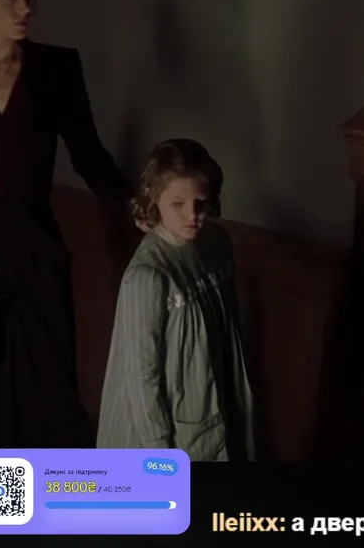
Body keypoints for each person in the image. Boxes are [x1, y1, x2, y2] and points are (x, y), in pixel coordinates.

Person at [0, 0, 131, 448]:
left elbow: (90, 156)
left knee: (50, 401)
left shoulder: (56, 70)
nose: (26, 9)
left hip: (38, 257)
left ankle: (51, 499)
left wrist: (141, 207)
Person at [96, 139, 256, 461]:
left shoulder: (218, 245)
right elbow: (142, 376)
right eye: (178, 204)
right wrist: (160, 452)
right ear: (155, 200)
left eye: (200, 202)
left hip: (216, 405)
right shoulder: (148, 276)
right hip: (166, 429)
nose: (192, 215)